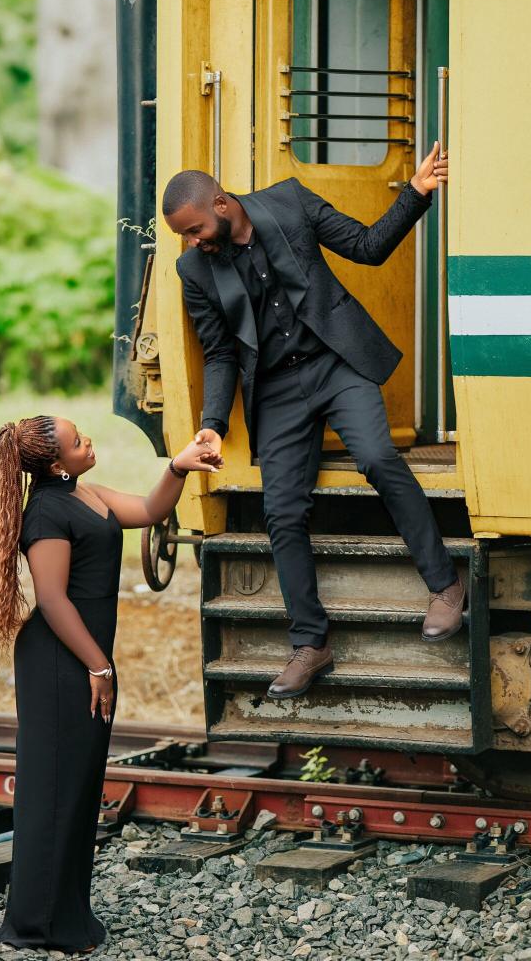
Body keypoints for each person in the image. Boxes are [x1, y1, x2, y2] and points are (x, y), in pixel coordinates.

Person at [162, 142, 463, 702]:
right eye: (185, 236)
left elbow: (368, 247)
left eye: (196, 229)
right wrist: (213, 423)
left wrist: (416, 193)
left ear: (221, 204)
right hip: (276, 390)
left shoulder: (291, 203)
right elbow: (220, 352)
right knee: (281, 510)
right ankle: (310, 643)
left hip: (337, 363)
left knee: (377, 457)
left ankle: (446, 584)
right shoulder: (194, 268)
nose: (193, 241)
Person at [0, 413, 219, 955]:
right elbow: (52, 600)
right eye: (77, 441)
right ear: (54, 464)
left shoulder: (86, 494)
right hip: (59, 661)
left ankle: (65, 914)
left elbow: (150, 510)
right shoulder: (46, 512)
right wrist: (99, 666)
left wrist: (179, 467)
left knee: (79, 785)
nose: (87, 442)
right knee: (54, 789)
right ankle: (36, 925)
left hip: (84, 658)